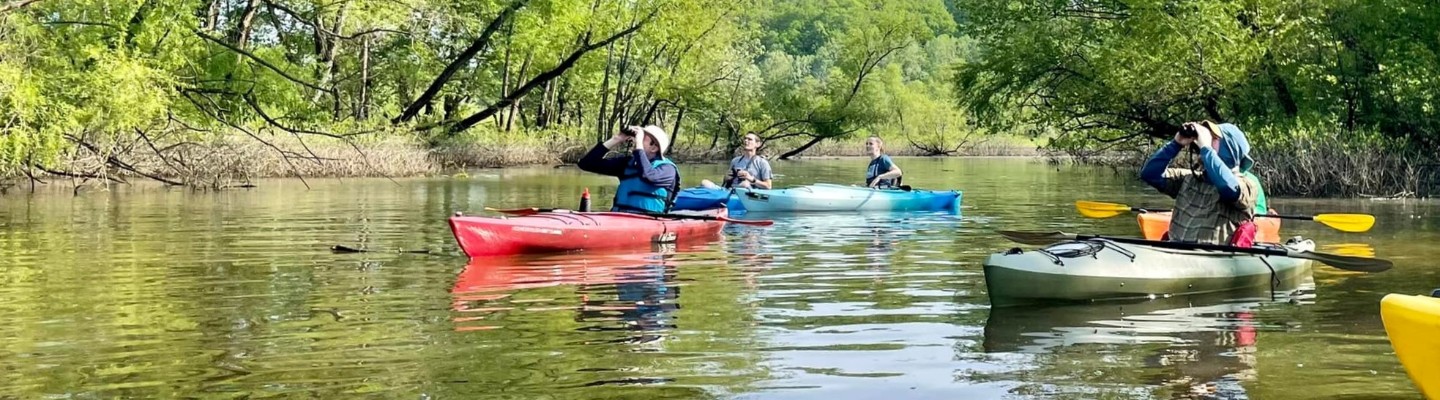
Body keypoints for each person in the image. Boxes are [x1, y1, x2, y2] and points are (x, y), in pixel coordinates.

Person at [1139, 121, 1259, 246]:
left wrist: (1207, 149)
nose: (1202, 141)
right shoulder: (1188, 178)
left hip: (1213, 258)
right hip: (1174, 253)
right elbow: (1149, 174)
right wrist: (1176, 144)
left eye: (1213, 139)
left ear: (1229, 149)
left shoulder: (1248, 186)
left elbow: (1228, 187)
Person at [577, 125, 680, 214]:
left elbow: (648, 176)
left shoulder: (667, 169)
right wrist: (616, 139)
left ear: (654, 148)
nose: (635, 140)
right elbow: (586, 164)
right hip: (620, 220)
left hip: (650, 222)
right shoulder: (628, 164)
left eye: (642, 138)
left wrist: (638, 145)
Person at [701, 132, 773, 189]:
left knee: (745, 184)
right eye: (745, 139)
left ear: (758, 144)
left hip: (748, 193)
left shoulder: (762, 163)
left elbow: (768, 186)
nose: (746, 141)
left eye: (749, 139)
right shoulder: (735, 161)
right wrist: (726, 178)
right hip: (730, 190)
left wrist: (750, 178)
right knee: (704, 182)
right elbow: (728, 180)